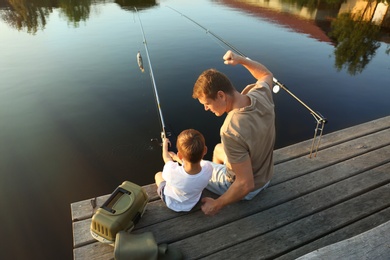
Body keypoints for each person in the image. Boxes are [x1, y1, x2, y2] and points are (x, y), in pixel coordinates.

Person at [192, 50, 276, 216]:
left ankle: (224, 187)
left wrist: (216, 204)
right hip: (267, 175)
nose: (206, 109)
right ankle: (229, 170)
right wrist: (240, 60)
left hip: (251, 188)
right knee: (217, 149)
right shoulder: (260, 95)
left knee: (197, 169)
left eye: (207, 103)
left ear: (221, 95)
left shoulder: (230, 130)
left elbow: (246, 184)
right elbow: (266, 74)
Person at [155, 129, 213, 212]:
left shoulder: (171, 171)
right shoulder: (208, 168)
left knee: (158, 175)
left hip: (172, 203)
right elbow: (192, 164)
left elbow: (166, 157)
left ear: (180, 155)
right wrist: (176, 158)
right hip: (193, 202)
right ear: (205, 150)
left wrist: (164, 145)